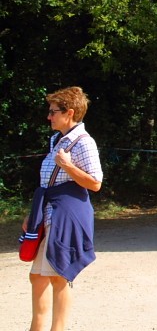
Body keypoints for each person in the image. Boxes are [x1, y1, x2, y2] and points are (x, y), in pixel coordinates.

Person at [22, 86, 103, 331]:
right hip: (49, 212)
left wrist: (68, 166)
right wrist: (31, 214)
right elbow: (48, 182)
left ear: (69, 113)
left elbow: (96, 183)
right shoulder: (57, 140)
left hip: (65, 215)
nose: (49, 117)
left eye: (53, 112)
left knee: (57, 276)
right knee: (40, 276)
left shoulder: (83, 143)